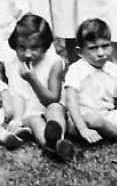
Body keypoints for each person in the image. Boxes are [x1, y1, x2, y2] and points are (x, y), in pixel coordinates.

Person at [4, 13, 73, 161]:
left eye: (35, 48)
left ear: (45, 46)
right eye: (22, 48)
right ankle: (53, 145)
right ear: (14, 46)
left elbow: (52, 99)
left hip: (49, 106)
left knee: (55, 109)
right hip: (28, 112)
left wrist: (33, 80)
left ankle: (56, 136)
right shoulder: (10, 63)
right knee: (35, 122)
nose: (28, 54)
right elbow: (6, 89)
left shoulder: (54, 62)